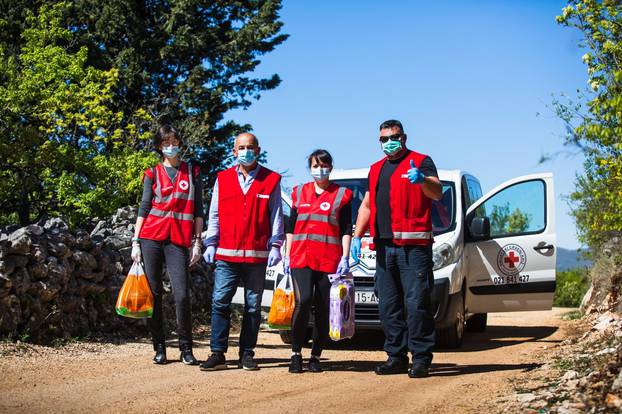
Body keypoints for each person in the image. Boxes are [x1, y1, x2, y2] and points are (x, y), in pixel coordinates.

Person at [351, 119, 442, 378]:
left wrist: (422, 179)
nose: (389, 141)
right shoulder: (376, 169)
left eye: (395, 136)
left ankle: (421, 359)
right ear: (379, 141)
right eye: (384, 138)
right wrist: (357, 236)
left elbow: (436, 193)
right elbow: (367, 205)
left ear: (404, 136)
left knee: (416, 305)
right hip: (383, 247)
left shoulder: (421, 161)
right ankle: (396, 357)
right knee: (388, 305)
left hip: (414, 249)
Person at [200, 132, 284, 371]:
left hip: (257, 256)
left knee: (252, 306)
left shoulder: (271, 180)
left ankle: (247, 353)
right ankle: (217, 352)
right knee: (219, 302)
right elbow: (214, 213)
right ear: (234, 151)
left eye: (250, 147)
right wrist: (211, 243)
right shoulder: (223, 178)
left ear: (258, 150)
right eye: (241, 147)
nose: (245, 151)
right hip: (226, 254)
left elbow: (276, 216)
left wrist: (276, 245)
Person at [131, 124, 203, 366]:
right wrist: (135, 242)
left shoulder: (192, 172)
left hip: (178, 240)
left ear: (180, 143)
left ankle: (186, 349)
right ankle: (159, 347)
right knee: (154, 294)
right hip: (151, 237)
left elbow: (198, 210)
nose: (170, 146)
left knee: (182, 295)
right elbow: (144, 207)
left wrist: (197, 242)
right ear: (159, 147)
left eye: (174, 141)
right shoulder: (151, 173)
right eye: (165, 143)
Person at [285, 149, 353, 374]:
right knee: (303, 301)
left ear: (330, 168)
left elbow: (345, 229)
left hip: (328, 260)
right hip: (300, 257)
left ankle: (315, 355)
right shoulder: (298, 193)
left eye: (324, 165)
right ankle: (296, 353)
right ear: (310, 168)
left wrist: (345, 256)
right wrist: (286, 253)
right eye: (315, 165)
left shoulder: (342, 195)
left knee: (324, 307)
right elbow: (291, 227)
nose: (319, 169)